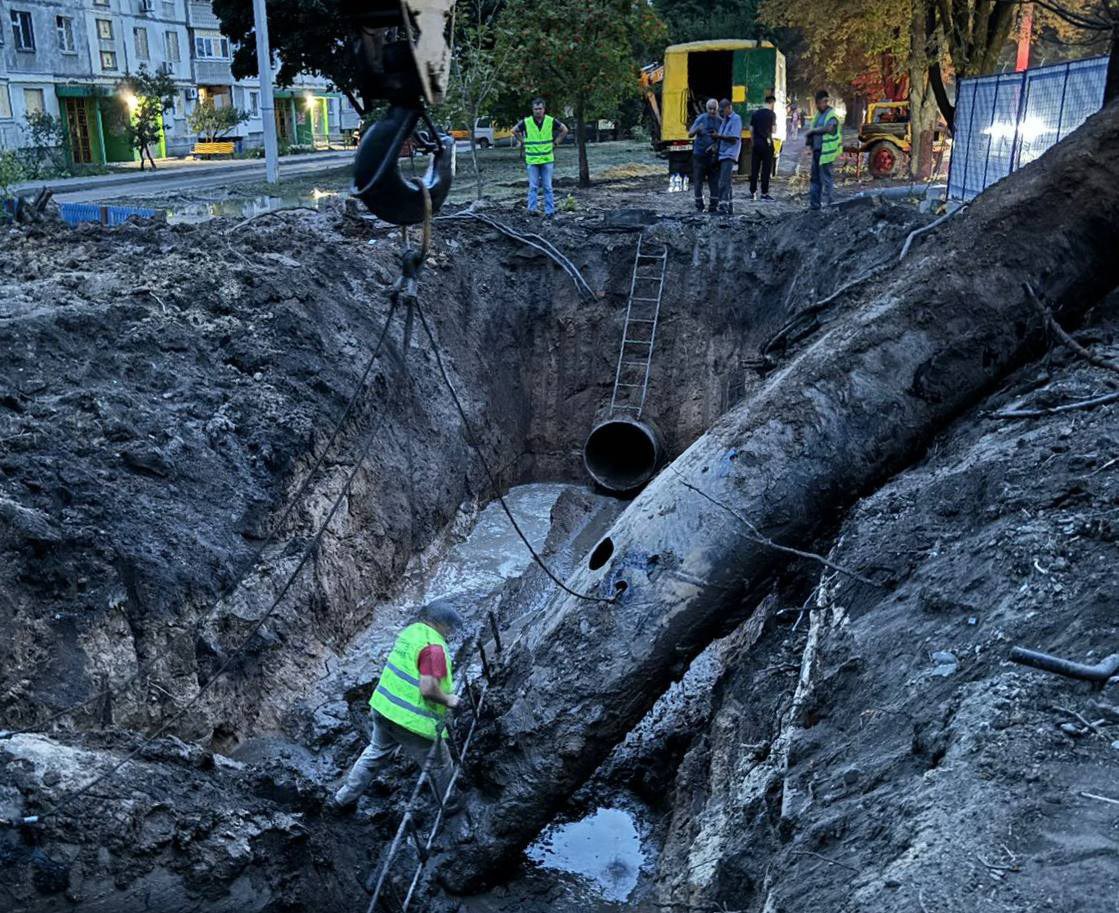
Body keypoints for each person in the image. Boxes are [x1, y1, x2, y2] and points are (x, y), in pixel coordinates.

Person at [331, 598, 463, 812]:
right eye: (450, 627)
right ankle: (450, 805)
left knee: (375, 751)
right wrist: (451, 700)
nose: (450, 632)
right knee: (440, 764)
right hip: (410, 720)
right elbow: (428, 689)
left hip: (383, 708)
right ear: (441, 624)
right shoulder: (435, 648)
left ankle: (342, 799)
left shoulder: (410, 633)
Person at [513, 98, 569, 218]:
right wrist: (523, 142)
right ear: (532, 110)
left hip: (546, 159)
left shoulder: (550, 121)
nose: (538, 111)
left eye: (540, 109)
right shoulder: (526, 122)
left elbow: (564, 130)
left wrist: (556, 143)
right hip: (532, 160)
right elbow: (514, 130)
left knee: (547, 187)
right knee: (533, 187)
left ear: (544, 109)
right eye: (535, 109)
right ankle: (532, 210)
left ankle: (550, 211)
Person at [804, 89, 841, 210]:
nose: (820, 105)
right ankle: (815, 206)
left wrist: (814, 131)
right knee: (815, 179)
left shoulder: (832, 115)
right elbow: (812, 129)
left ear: (826, 101)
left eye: (822, 102)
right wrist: (810, 144)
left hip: (827, 153)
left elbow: (829, 129)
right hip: (817, 151)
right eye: (818, 103)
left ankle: (831, 204)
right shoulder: (818, 115)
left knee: (827, 179)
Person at [687, 98, 720, 213]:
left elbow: (724, 137)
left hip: (713, 157)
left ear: (717, 109)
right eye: (710, 109)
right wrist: (697, 129)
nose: (712, 111)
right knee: (698, 181)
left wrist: (716, 144)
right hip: (699, 155)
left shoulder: (720, 121)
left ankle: (713, 206)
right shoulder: (701, 119)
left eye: (714, 109)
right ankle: (699, 205)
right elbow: (690, 134)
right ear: (707, 109)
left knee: (714, 181)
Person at [714, 98, 743, 214]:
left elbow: (734, 138)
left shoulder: (736, 119)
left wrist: (718, 137)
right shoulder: (725, 120)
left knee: (723, 182)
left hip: (729, 154)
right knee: (727, 182)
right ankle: (729, 206)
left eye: (722, 110)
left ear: (729, 108)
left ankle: (723, 207)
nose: (721, 112)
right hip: (723, 154)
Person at [749, 95, 778, 201]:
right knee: (766, 170)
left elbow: (751, 130)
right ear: (772, 103)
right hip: (767, 145)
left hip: (756, 144)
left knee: (754, 168)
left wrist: (753, 142)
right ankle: (764, 193)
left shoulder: (755, 114)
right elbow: (774, 130)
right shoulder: (772, 114)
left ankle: (753, 191)